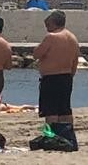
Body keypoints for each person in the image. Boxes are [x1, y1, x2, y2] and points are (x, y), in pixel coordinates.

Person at [33, 10, 80, 147]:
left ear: (54, 23)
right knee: (65, 110)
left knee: (51, 111)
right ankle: (68, 137)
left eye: (48, 24)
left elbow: (37, 54)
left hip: (51, 78)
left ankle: (50, 138)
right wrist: (71, 74)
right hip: (66, 77)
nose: (46, 28)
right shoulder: (72, 38)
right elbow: (75, 60)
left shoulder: (51, 37)